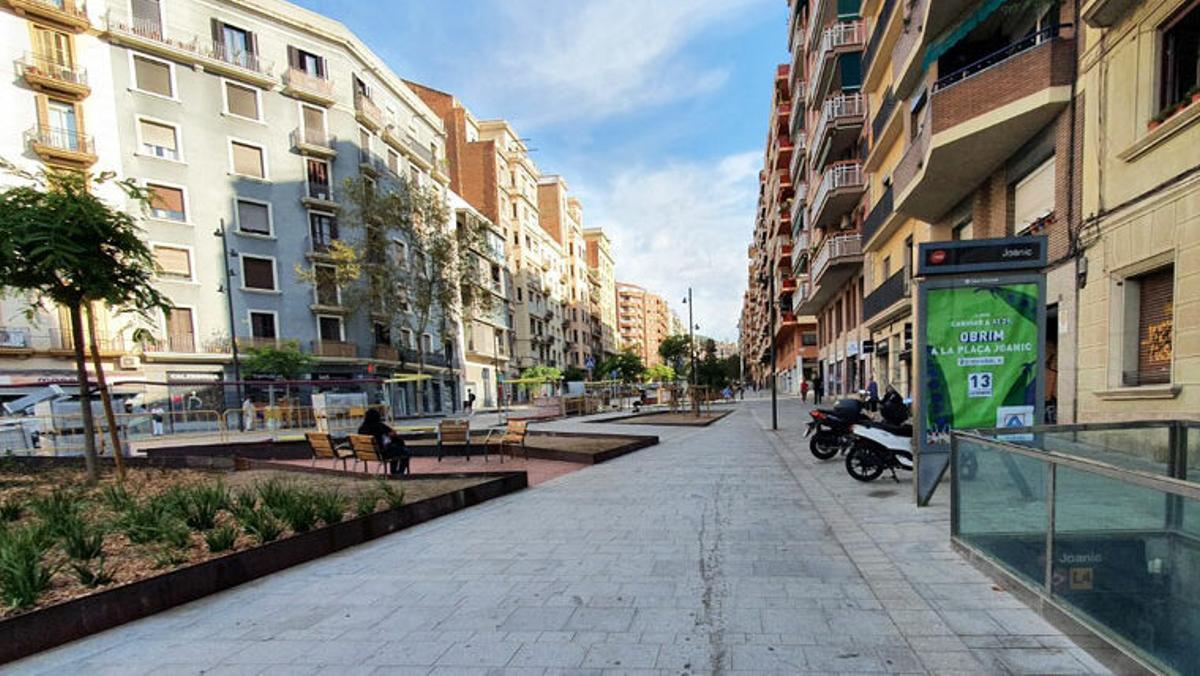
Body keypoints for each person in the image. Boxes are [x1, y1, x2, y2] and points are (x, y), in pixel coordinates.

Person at [358, 408, 408, 475]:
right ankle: (398, 472)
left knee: (394, 448)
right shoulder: (379, 426)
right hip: (382, 454)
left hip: (366, 454)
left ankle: (395, 472)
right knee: (404, 451)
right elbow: (393, 433)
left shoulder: (361, 428)